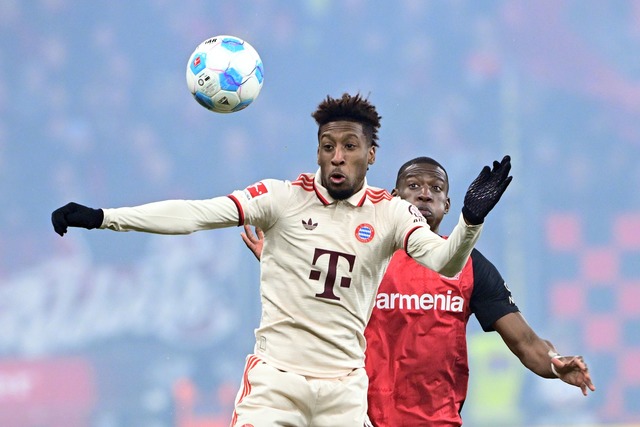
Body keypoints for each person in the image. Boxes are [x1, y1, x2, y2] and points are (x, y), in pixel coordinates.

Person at [51, 93, 512, 427]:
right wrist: (104, 217)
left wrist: (470, 220)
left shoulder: (391, 213)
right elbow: (194, 214)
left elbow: (446, 263)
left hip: (346, 393)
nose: (337, 156)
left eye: (350, 146)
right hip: (276, 383)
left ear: (370, 155)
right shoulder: (280, 198)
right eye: (327, 145)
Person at [240, 155, 595, 426]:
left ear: (447, 206)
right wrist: (283, 265)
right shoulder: (357, 252)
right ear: (394, 198)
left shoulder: (470, 266)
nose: (425, 194)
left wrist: (554, 365)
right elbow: (312, 313)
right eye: (414, 186)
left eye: (436, 189)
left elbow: (526, 342)